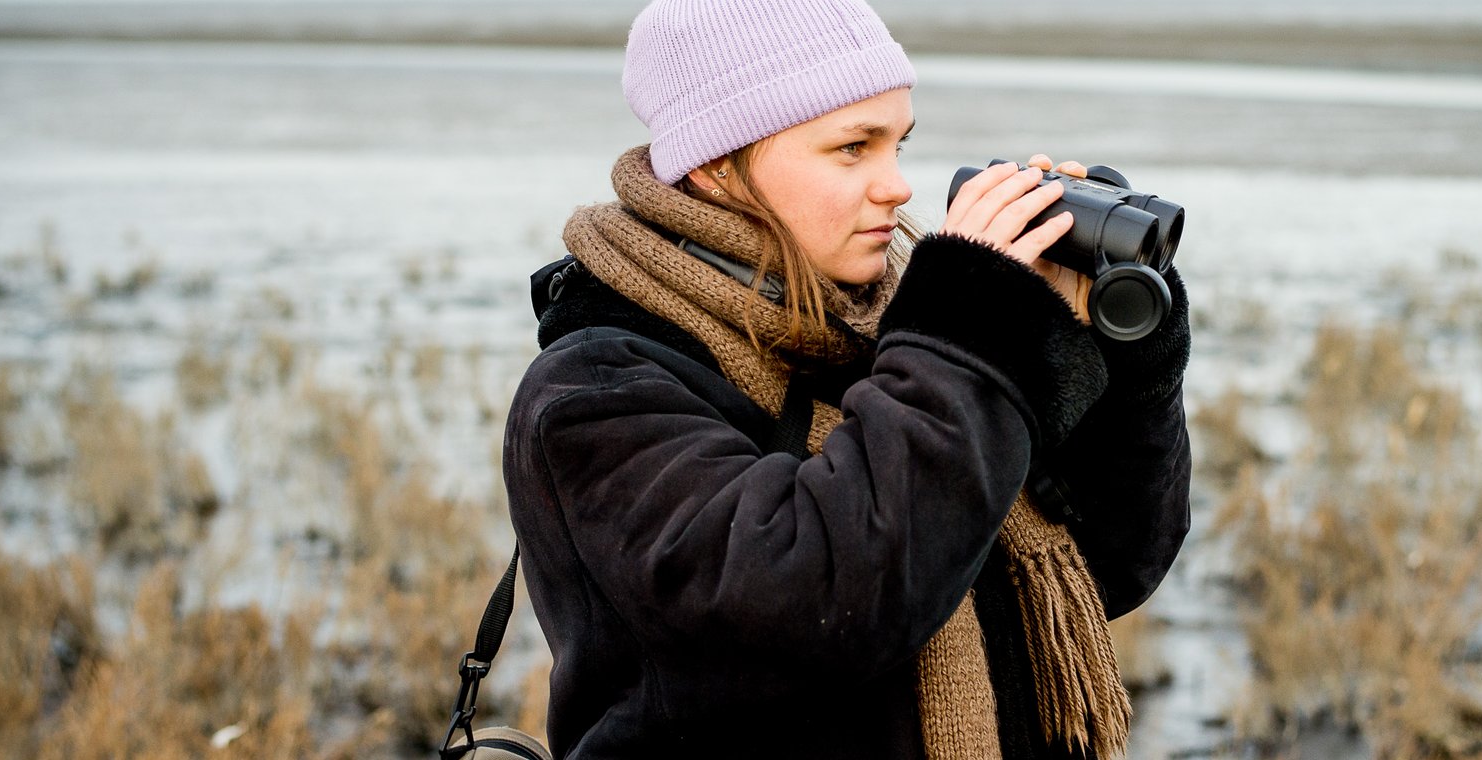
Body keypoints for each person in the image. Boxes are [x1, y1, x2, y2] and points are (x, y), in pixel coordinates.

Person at [503, 1, 1192, 757]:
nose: (896, 186)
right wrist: (966, 324)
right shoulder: (598, 388)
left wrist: (1112, 357)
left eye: (897, 145)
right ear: (715, 165)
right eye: (852, 148)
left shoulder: (894, 335)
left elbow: (1110, 564)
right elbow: (819, 604)